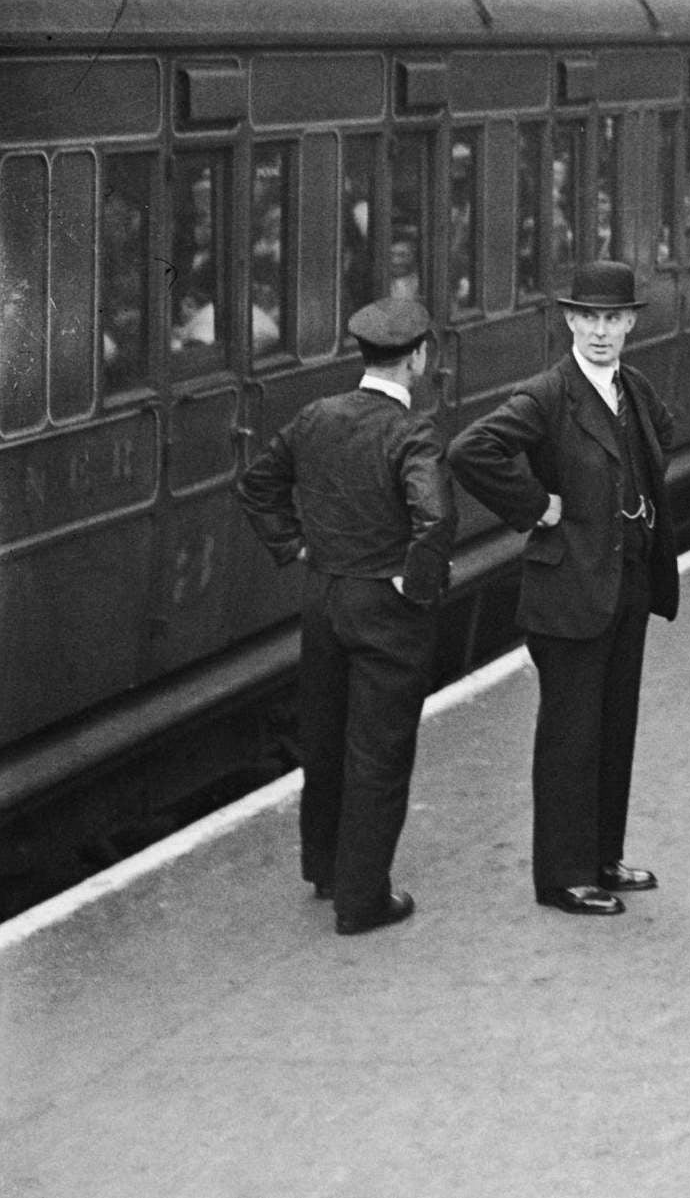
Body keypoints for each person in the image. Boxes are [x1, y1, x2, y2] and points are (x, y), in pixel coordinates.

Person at [449, 261, 678, 917]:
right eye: (589, 318)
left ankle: (604, 857)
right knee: (570, 738)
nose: (601, 331)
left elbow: (662, 434)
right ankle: (564, 876)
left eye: (613, 318)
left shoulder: (632, 388)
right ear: (571, 321)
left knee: (613, 728)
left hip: (625, 584)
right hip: (569, 589)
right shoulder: (550, 392)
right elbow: (472, 449)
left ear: (631, 321)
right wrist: (534, 505)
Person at [233, 298, 454, 936]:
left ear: (363, 355)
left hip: (324, 598)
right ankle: (363, 901)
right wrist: (415, 584)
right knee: (379, 751)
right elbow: (435, 517)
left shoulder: (315, 417)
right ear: (417, 358)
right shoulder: (412, 433)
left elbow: (257, 487)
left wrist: (297, 545)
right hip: (384, 608)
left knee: (326, 738)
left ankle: (326, 868)